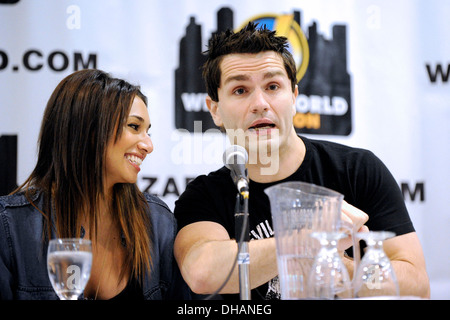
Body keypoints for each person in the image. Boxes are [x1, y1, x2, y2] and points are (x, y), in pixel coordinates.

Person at [173, 22, 430, 300]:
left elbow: (416, 283)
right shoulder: (204, 196)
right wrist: (306, 240)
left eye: (273, 86)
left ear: (294, 97)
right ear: (215, 110)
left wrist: (339, 269)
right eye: (240, 90)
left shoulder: (357, 169)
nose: (260, 103)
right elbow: (201, 272)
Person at [0, 69, 191, 300]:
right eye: (134, 126)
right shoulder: (10, 226)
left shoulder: (157, 221)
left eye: (147, 131)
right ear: (87, 130)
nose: (148, 145)